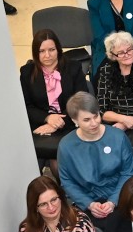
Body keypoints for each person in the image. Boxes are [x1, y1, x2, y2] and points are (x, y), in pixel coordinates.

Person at [58, 92, 133, 224]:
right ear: (74, 120)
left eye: (96, 116)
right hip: (87, 202)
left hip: (121, 196)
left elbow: (128, 172)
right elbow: (67, 181)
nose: (94, 123)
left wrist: (113, 201)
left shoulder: (118, 137)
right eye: (86, 120)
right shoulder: (66, 146)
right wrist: (89, 204)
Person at [21, 29, 89, 163]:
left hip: (70, 123)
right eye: (42, 51)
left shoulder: (73, 68)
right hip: (41, 125)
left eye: (51, 50)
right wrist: (48, 118)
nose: (47, 55)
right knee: (52, 161)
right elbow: (26, 106)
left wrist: (57, 123)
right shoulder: (27, 72)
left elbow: (81, 100)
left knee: (61, 162)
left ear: (58, 49)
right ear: (35, 53)